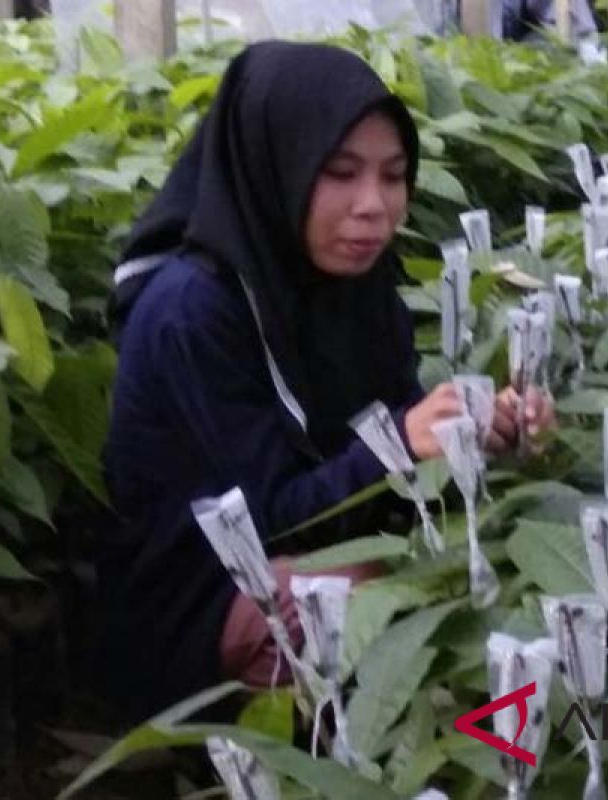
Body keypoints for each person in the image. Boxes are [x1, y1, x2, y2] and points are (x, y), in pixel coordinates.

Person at [98, 41, 555, 720]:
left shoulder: (353, 285)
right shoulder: (191, 314)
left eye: (394, 174)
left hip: (327, 545)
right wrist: (401, 442)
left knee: (507, 547)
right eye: (339, 172)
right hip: (200, 599)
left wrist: (479, 428)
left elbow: (391, 430)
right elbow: (264, 524)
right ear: (273, 166)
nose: (374, 205)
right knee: (385, 611)